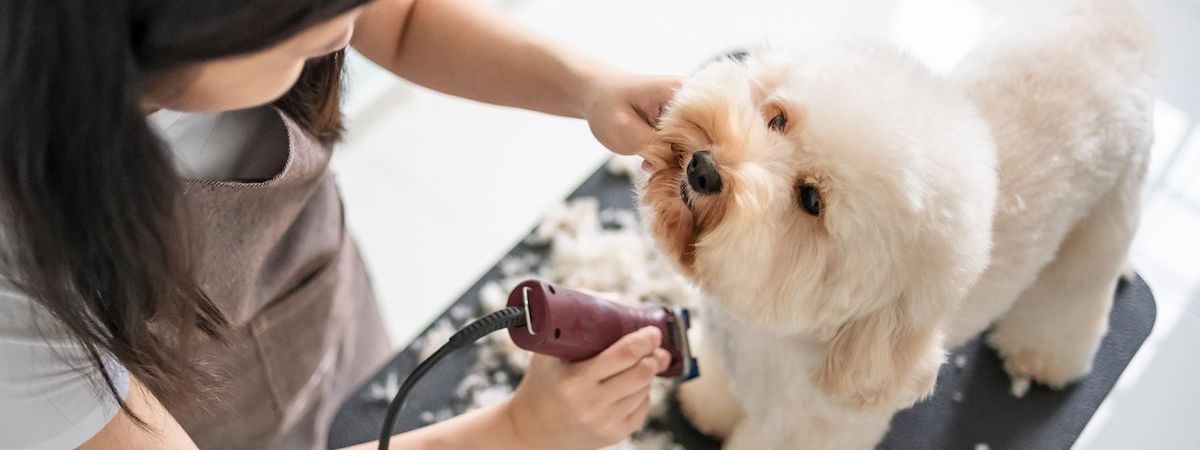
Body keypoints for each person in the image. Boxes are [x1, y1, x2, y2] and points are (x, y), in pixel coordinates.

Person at [0, 1, 680, 449]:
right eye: (315, 18)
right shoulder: (16, 276)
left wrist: (590, 87)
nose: (349, 29)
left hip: (324, 320)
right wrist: (520, 430)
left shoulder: (262, 28)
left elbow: (402, 20)